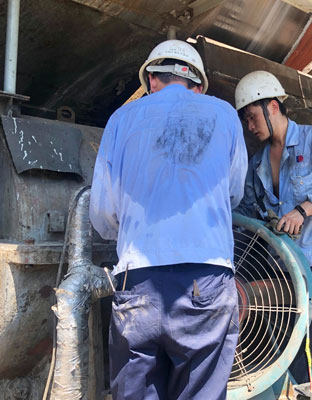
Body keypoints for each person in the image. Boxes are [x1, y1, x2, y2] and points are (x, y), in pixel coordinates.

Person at [89, 39, 247, 400]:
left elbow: (102, 211)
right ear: (197, 84)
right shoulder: (224, 115)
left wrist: (128, 233)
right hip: (206, 281)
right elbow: (233, 192)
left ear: (151, 80)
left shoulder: (121, 119)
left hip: (138, 281)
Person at [234, 70, 312, 385]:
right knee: (287, 340)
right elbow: (246, 211)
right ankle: (297, 391)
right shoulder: (257, 163)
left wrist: (301, 211)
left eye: (253, 117)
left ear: (273, 106)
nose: (250, 126)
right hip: (280, 263)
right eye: (245, 120)